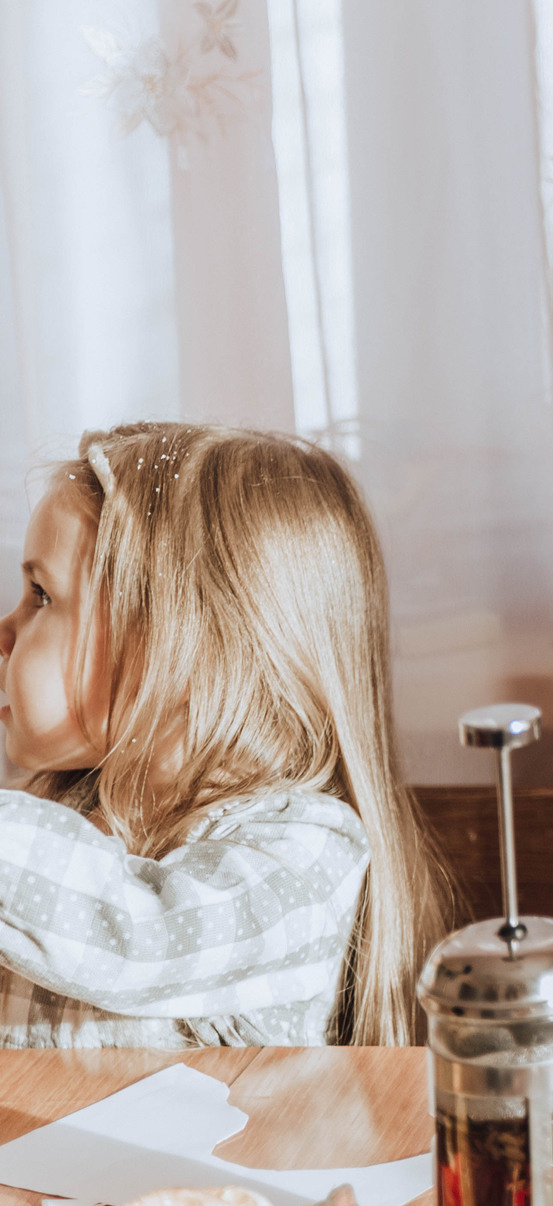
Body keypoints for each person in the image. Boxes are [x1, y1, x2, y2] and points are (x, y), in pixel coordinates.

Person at [0, 422, 447, 1046]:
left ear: (178, 651)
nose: (6, 630)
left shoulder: (304, 858)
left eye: (41, 596)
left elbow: (137, 936)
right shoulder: (66, 813)